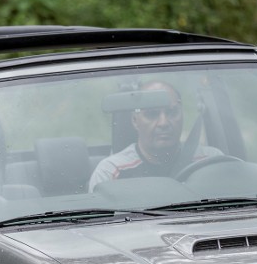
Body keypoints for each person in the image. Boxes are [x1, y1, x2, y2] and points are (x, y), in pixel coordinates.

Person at [88, 81, 221, 191]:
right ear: (135, 120)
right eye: (152, 114)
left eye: (172, 112)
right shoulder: (110, 173)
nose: (163, 123)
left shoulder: (211, 161)